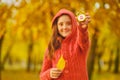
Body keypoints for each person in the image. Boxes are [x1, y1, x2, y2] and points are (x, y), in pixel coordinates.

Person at [40, 8, 91, 80]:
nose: (64, 27)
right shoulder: (51, 47)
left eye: (68, 24)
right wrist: (49, 74)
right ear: (56, 27)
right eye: (61, 24)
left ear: (74, 25)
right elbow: (42, 75)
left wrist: (83, 29)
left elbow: (84, 40)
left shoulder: (79, 42)